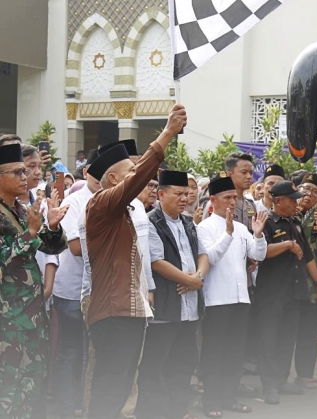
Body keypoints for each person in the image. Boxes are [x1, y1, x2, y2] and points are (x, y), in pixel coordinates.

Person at [83, 104, 186, 419]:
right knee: (111, 388)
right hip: (113, 313)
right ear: (113, 178)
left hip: (129, 311)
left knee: (122, 385)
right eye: (131, 172)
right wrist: (167, 133)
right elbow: (139, 177)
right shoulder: (101, 204)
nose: (140, 179)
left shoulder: (127, 212)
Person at [0, 142, 68, 419]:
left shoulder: (18, 208)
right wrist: (30, 232)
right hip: (9, 319)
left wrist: (50, 226)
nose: (24, 177)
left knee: (32, 384)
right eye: (16, 172)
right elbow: (5, 258)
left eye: (24, 172)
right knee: (9, 390)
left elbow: (51, 248)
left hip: (31, 316)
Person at [135, 170, 209, 419]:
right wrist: (188, 279)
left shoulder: (188, 222)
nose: (184, 199)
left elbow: (203, 254)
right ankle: (153, 413)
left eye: (186, 194)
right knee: (156, 365)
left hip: (189, 307)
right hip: (166, 306)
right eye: (177, 194)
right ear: (161, 194)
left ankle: (178, 411)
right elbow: (156, 261)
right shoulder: (151, 222)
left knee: (184, 363)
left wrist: (197, 278)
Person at [197, 175, 268, 418]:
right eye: (227, 198)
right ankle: (211, 400)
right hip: (217, 300)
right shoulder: (204, 228)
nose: (231, 202)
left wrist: (258, 234)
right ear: (213, 200)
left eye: (234, 198)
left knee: (235, 351)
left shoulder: (241, 227)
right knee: (215, 351)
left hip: (240, 298)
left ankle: (229, 397)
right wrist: (226, 233)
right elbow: (211, 259)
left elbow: (258, 255)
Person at [255, 180, 317, 404]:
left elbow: (307, 256)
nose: (296, 202)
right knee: (269, 339)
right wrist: (286, 245)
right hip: (272, 293)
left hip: (294, 292)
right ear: (278, 201)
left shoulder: (294, 223)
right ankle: (269, 386)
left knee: (287, 339)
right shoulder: (265, 222)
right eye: (292, 199)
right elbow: (260, 252)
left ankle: (282, 379)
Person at [51, 149, 99, 419]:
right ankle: (66, 407)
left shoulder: (111, 200)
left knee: (90, 353)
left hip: (98, 289)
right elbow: (76, 247)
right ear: (86, 172)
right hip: (71, 290)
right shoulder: (74, 200)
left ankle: (84, 404)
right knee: (72, 351)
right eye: (98, 171)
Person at [290, 172, 317, 389]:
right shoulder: (289, 213)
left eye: (315, 192)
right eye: (306, 189)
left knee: (309, 331)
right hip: (290, 283)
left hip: (313, 284)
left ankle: (305, 374)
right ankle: (278, 375)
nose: (309, 194)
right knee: (287, 330)